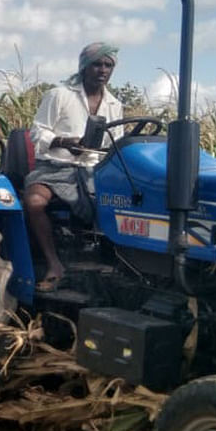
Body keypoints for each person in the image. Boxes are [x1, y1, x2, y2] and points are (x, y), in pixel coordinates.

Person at [24, 42, 125, 292]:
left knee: (127, 200)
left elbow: (117, 140)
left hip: (93, 169)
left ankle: (117, 263)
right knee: (35, 202)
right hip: (55, 165)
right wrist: (63, 142)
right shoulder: (60, 95)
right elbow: (38, 132)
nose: (102, 70)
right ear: (84, 67)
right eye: (97, 64)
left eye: (108, 65)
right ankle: (54, 264)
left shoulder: (114, 104)